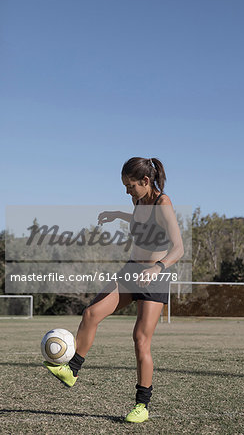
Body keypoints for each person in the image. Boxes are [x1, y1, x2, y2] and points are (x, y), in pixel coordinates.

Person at [43, 157, 184, 423]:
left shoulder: (163, 202)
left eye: (130, 186)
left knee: (140, 339)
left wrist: (158, 268)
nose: (127, 191)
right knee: (91, 313)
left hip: (155, 276)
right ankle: (72, 371)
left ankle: (142, 406)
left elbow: (179, 247)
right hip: (132, 270)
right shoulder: (138, 201)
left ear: (145, 181)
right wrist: (118, 215)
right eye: (125, 187)